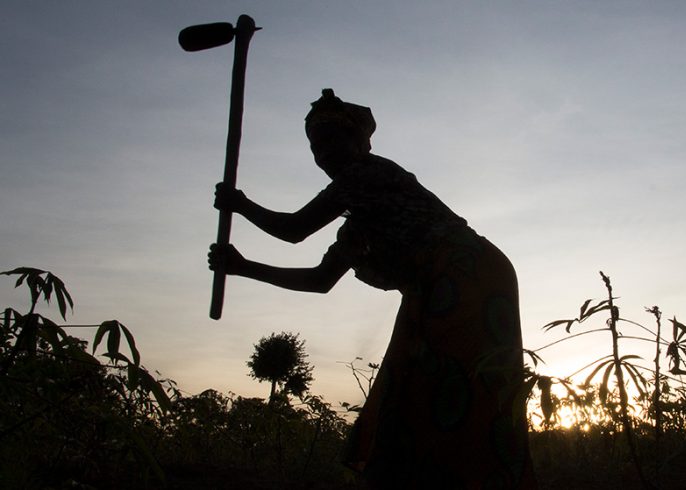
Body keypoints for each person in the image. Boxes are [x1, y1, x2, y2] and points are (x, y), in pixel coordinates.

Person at [208, 89, 535, 488]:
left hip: (468, 274)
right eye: (316, 147)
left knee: (454, 385)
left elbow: (295, 229)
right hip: (439, 284)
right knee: (416, 386)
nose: (325, 154)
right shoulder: (359, 227)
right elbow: (320, 280)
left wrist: (240, 204)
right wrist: (243, 268)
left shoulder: (368, 173)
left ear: (359, 142)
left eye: (333, 140)